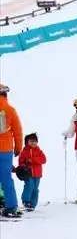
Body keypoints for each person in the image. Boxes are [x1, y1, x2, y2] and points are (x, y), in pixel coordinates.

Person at [0, 84, 23, 218]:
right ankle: (11, 207)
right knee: (6, 179)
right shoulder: (10, 110)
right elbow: (17, 131)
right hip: (6, 149)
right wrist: (18, 147)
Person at [16, 133, 46, 211]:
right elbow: (21, 161)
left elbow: (43, 160)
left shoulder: (39, 151)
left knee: (35, 189)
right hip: (28, 174)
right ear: (27, 142)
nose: (33, 143)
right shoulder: (24, 152)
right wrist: (23, 166)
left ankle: (33, 204)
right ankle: (26, 201)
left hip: (37, 174)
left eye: (35, 141)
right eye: (31, 141)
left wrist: (33, 160)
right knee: (29, 187)